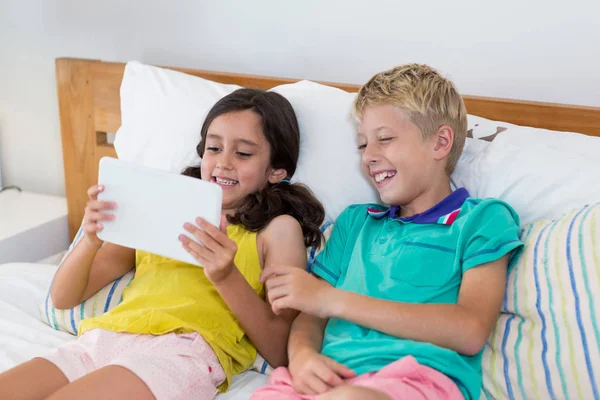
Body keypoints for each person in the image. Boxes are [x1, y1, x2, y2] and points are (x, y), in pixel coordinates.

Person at [0, 88, 325, 400]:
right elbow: (63, 297)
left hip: (182, 352)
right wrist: (89, 240)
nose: (223, 163)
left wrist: (226, 276)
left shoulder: (277, 230)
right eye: (213, 148)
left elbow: (280, 349)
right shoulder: (160, 205)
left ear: (276, 170)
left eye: (242, 153)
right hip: (103, 338)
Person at [253, 64, 524, 400]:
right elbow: (311, 316)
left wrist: (332, 300)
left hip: (414, 381)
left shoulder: (481, 220)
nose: (369, 157)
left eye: (385, 139)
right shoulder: (355, 223)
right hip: (326, 379)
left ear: (440, 142)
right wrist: (304, 357)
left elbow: (469, 330)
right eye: (363, 145)